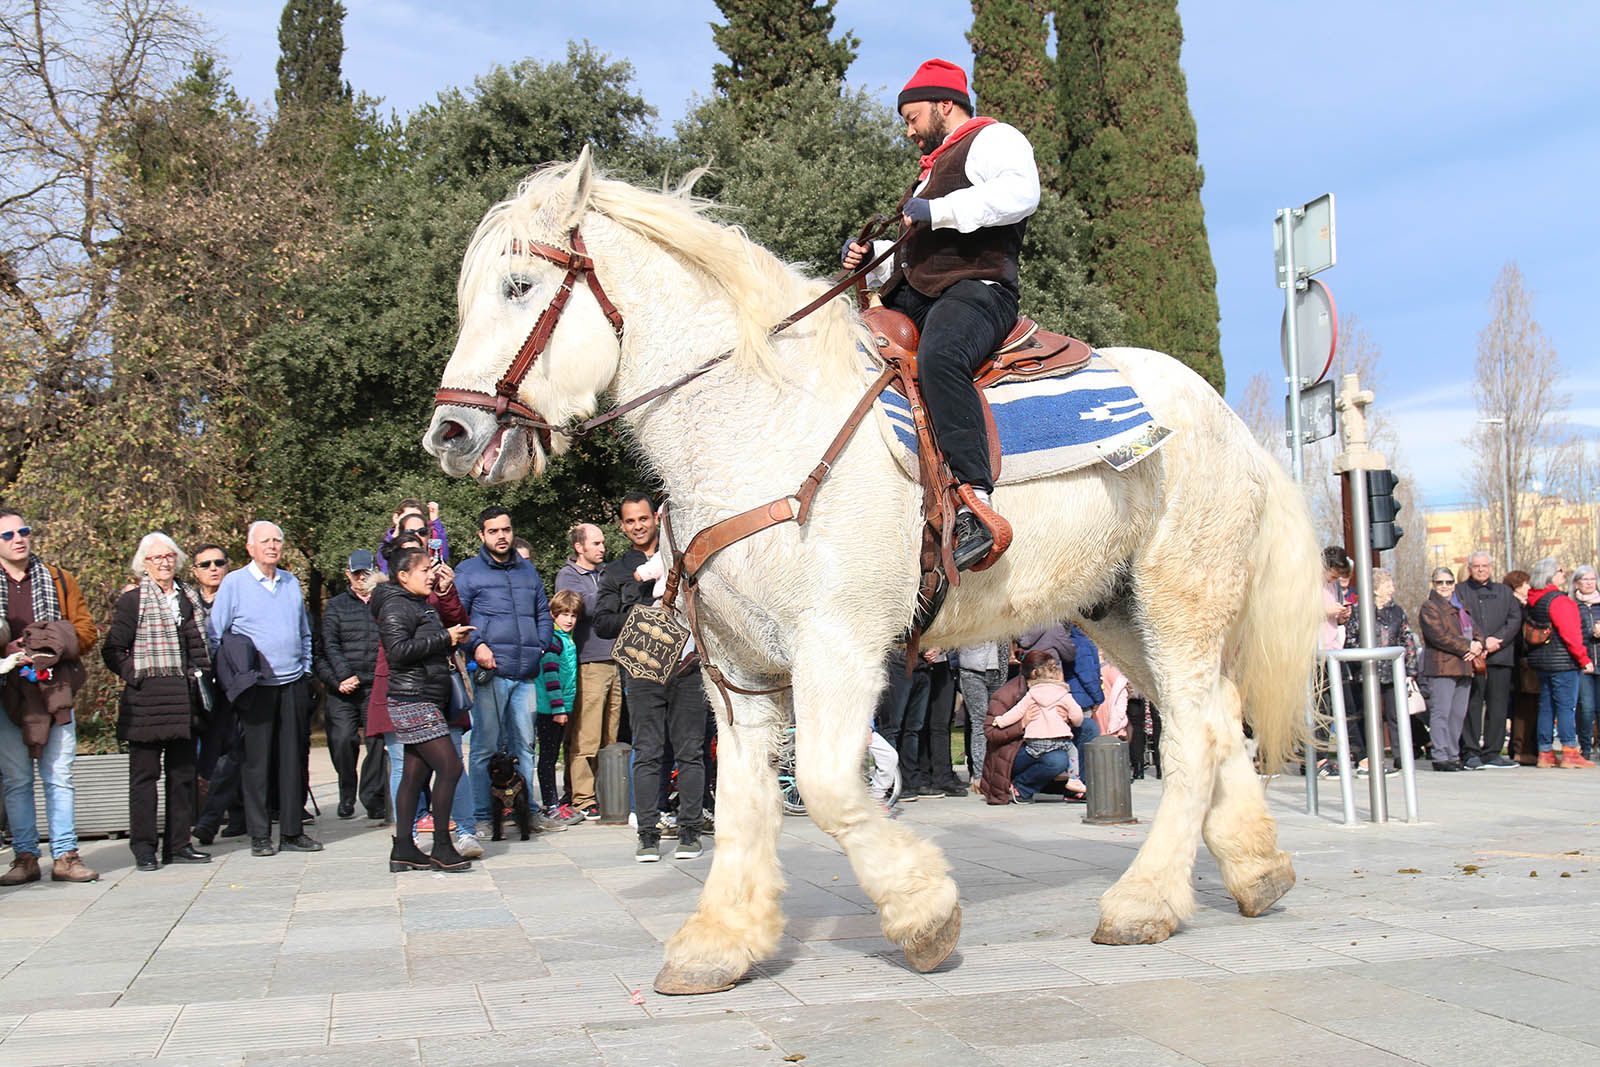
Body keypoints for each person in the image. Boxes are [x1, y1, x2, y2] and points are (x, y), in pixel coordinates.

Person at [842, 58, 1040, 570]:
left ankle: (976, 500)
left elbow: (1022, 194)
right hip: (920, 296)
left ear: (944, 106)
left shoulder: (994, 140)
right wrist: (872, 256)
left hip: (978, 291)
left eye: (912, 117)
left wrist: (940, 209)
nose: (909, 130)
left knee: (942, 357)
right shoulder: (930, 174)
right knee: (848, 349)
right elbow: (921, 247)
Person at [592, 492, 707, 863]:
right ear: (622, 526)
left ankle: (690, 831)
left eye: (643, 518)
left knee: (691, 752)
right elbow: (602, 622)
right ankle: (648, 835)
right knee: (648, 753)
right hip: (641, 672)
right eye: (630, 521)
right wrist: (642, 615)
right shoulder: (615, 571)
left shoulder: (684, 556)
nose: (638, 526)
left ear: (655, 519)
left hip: (687, 667)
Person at [207, 520, 321, 856]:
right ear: (250, 548)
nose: (272, 546)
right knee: (256, 761)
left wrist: (306, 669)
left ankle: (291, 831)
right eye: (265, 541)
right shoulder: (234, 583)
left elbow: (304, 632)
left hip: (292, 682)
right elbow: (217, 635)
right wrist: (232, 680)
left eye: (277, 541)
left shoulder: (289, 583)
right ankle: (259, 834)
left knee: (292, 760)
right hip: (255, 687)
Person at [0, 509, 100, 885]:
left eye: (23, 531)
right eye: (8, 535)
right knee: (15, 778)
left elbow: (87, 630)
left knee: (59, 775)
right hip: (7, 692)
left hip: (54, 689)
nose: (18, 539)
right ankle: (25, 857)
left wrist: (56, 641)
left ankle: (66, 856)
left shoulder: (59, 579)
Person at [101, 533, 211, 870]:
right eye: (156, 558)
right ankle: (145, 848)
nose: (164, 563)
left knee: (182, 775)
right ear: (144, 564)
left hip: (183, 699)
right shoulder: (133, 600)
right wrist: (136, 675)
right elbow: (112, 649)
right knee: (144, 778)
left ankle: (179, 844)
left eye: (169, 556)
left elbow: (199, 647)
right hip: (146, 702)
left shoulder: (188, 598)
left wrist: (199, 675)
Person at [453, 506, 561, 835]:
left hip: (526, 671)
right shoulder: (468, 572)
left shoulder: (527, 571)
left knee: (525, 746)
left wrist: (541, 645)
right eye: (494, 531)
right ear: (481, 535)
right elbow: (458, 617)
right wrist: (478, 647)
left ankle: (528, 811)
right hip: (491, 672)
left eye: (506, 529)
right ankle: (482, 816)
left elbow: (543, 611)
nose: (502, 536)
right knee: (485, 746)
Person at [377, 546, 476, 873]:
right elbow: (398, 651)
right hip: (412, 698)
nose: (431, 575)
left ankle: (403, 847)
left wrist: (452, 637)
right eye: (424, 570)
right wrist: (444, 639)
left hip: (425, 695)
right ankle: (442, 847)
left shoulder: (417, 602)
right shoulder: (395, 605)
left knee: (414, 773)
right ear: (403, 576)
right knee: (450, 768)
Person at [556, 522, 623, 819]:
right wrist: (615, 595)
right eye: (595, 543)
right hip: (589, 663)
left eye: (603, 543)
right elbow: (584, 607)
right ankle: (582, 797)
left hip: (617, 660)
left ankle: (607, 790)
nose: (602, 548)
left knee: (611, 734)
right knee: (587, 735)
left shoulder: (606, 573)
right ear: (579, 547)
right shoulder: (568, 576)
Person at [316, 550, 385, 820]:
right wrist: (342, 676)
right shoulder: (336, 606)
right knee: (342, 739)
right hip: (344, 688)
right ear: (348, 574)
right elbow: (328, 645)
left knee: (376, 741)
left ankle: (372, 796)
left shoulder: (384, 601)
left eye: (365, 573)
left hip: (375, 687)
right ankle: (347, 790)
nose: (360, 578)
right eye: (356, 573)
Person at [1341, 568, 1415, 776]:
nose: (1392, 589)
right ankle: (1368, 757)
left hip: (1392, 672)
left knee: (1396, 715)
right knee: (1366, 715)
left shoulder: (1397, 612)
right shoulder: (1359, 611)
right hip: (1366, 672)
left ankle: (1402, 757)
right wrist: (1365, 657)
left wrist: (1410, 669)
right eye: (1388, 584)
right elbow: (1351, 640)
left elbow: (1406, 639)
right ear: (1375, 588)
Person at [1524, 558, 1595, 768]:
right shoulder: (1559, 600)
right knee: (1566, 707)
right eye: (1560, 571)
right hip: (1563, 661)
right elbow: (1571, 634)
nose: (1564, 575)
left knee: (1546, 706)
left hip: (1542, 661)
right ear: (1550, 575)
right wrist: (1584, 659)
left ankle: (1544, 752)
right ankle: (1570, 751)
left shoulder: (1534, 600)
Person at [1456, 551, 1520, 769]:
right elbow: (1458, 619)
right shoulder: (1460, 591)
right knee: (1472, 705)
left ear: (1491, 567)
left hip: (1500, 656)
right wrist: (1480, 642)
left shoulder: (1504, 592)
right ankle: (1471, 752)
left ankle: (1492, 752)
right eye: (1476, 566)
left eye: (1485, 566)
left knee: (1498, 706)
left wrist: (1497, 640)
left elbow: (1514, 619)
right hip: (1473, 656)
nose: (1481, 569)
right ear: (1470, 568)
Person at [993, 651, 1085, 800]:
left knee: (1088, 728)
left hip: (1033, 742)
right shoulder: (1063, 694)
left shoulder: (1032, 694)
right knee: (1070, 753)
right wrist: (1072, 721)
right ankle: (1074, 779)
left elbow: (1016, 711)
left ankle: (1065, 785)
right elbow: (1077, 715)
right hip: (1056, 741)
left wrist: (1000, 720)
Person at [1418, 566, 1480, 772]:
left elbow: (1476, 629)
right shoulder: (1430, 607)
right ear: (1433, 584)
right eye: (1439, 582)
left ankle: (1453, 755)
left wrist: (1478, 643)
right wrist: (1467, 646)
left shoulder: (1461, 606)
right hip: (1442, 667)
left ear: (1454, 584)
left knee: (1457, 714)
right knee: (1441, 712)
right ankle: (1440, 755)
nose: (1444, 586)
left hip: (1464, 665)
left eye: (1448, 582)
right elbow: (1439, 636)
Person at [534, 589, 581, 822]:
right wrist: (558, 708)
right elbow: (551, 677)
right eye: (563, 614)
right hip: (550, 709)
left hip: (561, 707)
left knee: (553, 754)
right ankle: (551, 803)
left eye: (573, 615)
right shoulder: (553, 641)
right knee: (548, 757)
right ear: (553, 615)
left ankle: (553, 801)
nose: (569, 620)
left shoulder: (566, 640)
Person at [956, 640, 1007, 792]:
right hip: (972, 669)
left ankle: (995, 774)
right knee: (980, 722)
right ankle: (979, 776)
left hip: (997, 671)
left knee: (995, 721)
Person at [1569, 565, 1600, 759]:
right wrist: (1591, 633)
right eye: (1585, 580)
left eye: (1592, 579)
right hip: (1583, 662)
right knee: (1586, 707)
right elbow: (1570, 633)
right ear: (1577, 583)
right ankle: (1586, 747)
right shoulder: (1572, 605)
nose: (1589, 583)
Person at [378, 499, 447, 575]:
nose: (413, 520)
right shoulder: (388, 547)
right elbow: (386, 573)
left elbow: (442, 557)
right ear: (396, 518)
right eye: (408, 516)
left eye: (417, 517)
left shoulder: (424, 541)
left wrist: (435, 522)